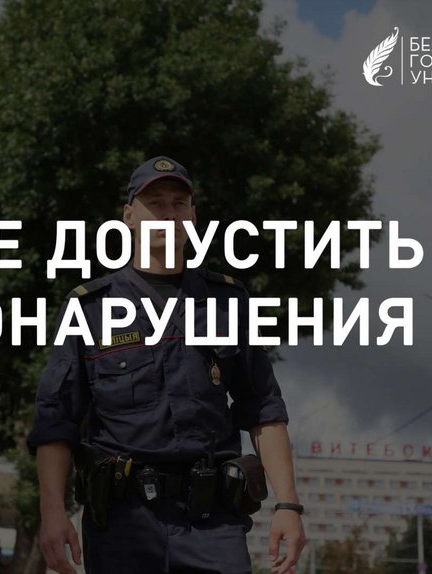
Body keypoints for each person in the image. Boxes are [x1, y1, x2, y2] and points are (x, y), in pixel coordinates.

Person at [28, 157, 307, 574]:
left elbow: (263, 408)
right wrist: (52, 514)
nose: (169, 213)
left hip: (213, 524)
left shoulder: (228, 302)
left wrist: (288, 504)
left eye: (179, 203)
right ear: (129, 216)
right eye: (155, 203)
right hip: (122, 524)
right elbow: (56, 420)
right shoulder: (90, 308)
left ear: (193, 217)